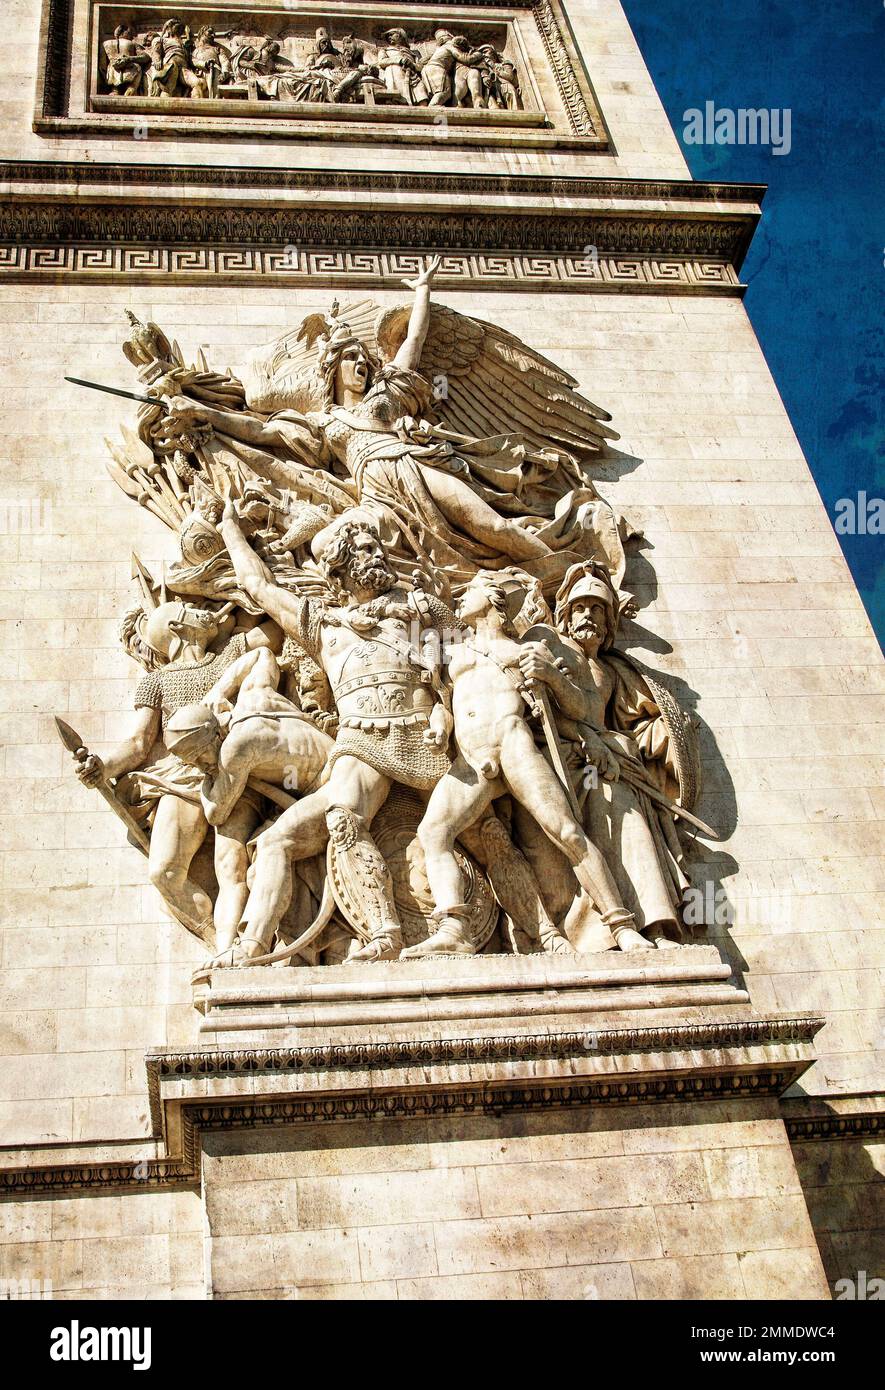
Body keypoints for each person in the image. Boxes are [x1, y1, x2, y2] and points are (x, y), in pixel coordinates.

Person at [219, 504, 457, 962]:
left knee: (490, 834)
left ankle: (547, 931)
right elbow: (259, 586)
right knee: (281, 838)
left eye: (378, 547)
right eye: (366, 549)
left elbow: (469, 661)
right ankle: (250, 949)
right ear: (342, 566)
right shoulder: (325, 627)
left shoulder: (418, 609)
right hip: (363, 745)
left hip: (427, 740)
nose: (380, 555)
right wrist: (231, 528)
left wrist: (446, 709)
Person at [411, 570, 648, 956]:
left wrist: (552, 676)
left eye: (468, 592)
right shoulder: (453, 653)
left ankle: (622, 928)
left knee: (568, 834)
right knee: (433, 832)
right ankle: (454, 928)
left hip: (512, 743)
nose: (460, 600)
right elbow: (445, 701)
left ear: (491, 600)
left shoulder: (521, 651)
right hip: (472, 761)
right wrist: (439, 723)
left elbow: (575, 712)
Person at [72, 601, 279, 942]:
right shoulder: (156, 681)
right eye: (188, 607)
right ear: (178, 628)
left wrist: (239, 605)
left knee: (231, 867)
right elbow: (139, 743)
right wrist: (102, 766)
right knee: (164, 872)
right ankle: (218, 943)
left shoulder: (231, 651)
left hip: (234, 767)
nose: (200, 609)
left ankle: (240, 948)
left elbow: (274, 631)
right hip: (182, 775)